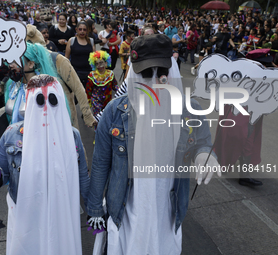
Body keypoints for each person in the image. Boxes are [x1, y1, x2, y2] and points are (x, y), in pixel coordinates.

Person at [86, 34, 221, 255]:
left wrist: (204, 155)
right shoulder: (114, 111)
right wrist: (94, 210)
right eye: (146, 73)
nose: (154, 79)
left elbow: (203, 142)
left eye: (162, 72)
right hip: (126, 207)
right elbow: (101, 162)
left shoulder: (189, 109)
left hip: (166, 209)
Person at [0, 74, 89, 254]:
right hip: (26, 213)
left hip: (62, 212)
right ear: (28, 102)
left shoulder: (72, 135)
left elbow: (82, 175)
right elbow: (2, 173)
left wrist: (94, 210)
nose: (45, 108)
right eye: (38, 100)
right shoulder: (12, 134)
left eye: (51, 100)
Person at [86, 51, 118, 118]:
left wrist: (122, 94)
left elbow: (115, 86)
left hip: (108, 102)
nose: (99, 66)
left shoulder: (110, 74)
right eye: (97, 64)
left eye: (101, 63)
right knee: (98, 120)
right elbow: (88, 90)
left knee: (107, 119)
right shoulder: (92, 75)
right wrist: (88, 103)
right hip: (96, 102)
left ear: (106, 63)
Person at [65, 21, 95, 88]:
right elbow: (66, 58)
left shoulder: (91, 41)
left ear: (87, 31)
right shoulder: (72, 40)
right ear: (76, 29)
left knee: (87, 96)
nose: (82, 31)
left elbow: (94, 58)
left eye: (84, 30)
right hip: (75, 73)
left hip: (89, 73)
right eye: (80, 29)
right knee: (77, 96)